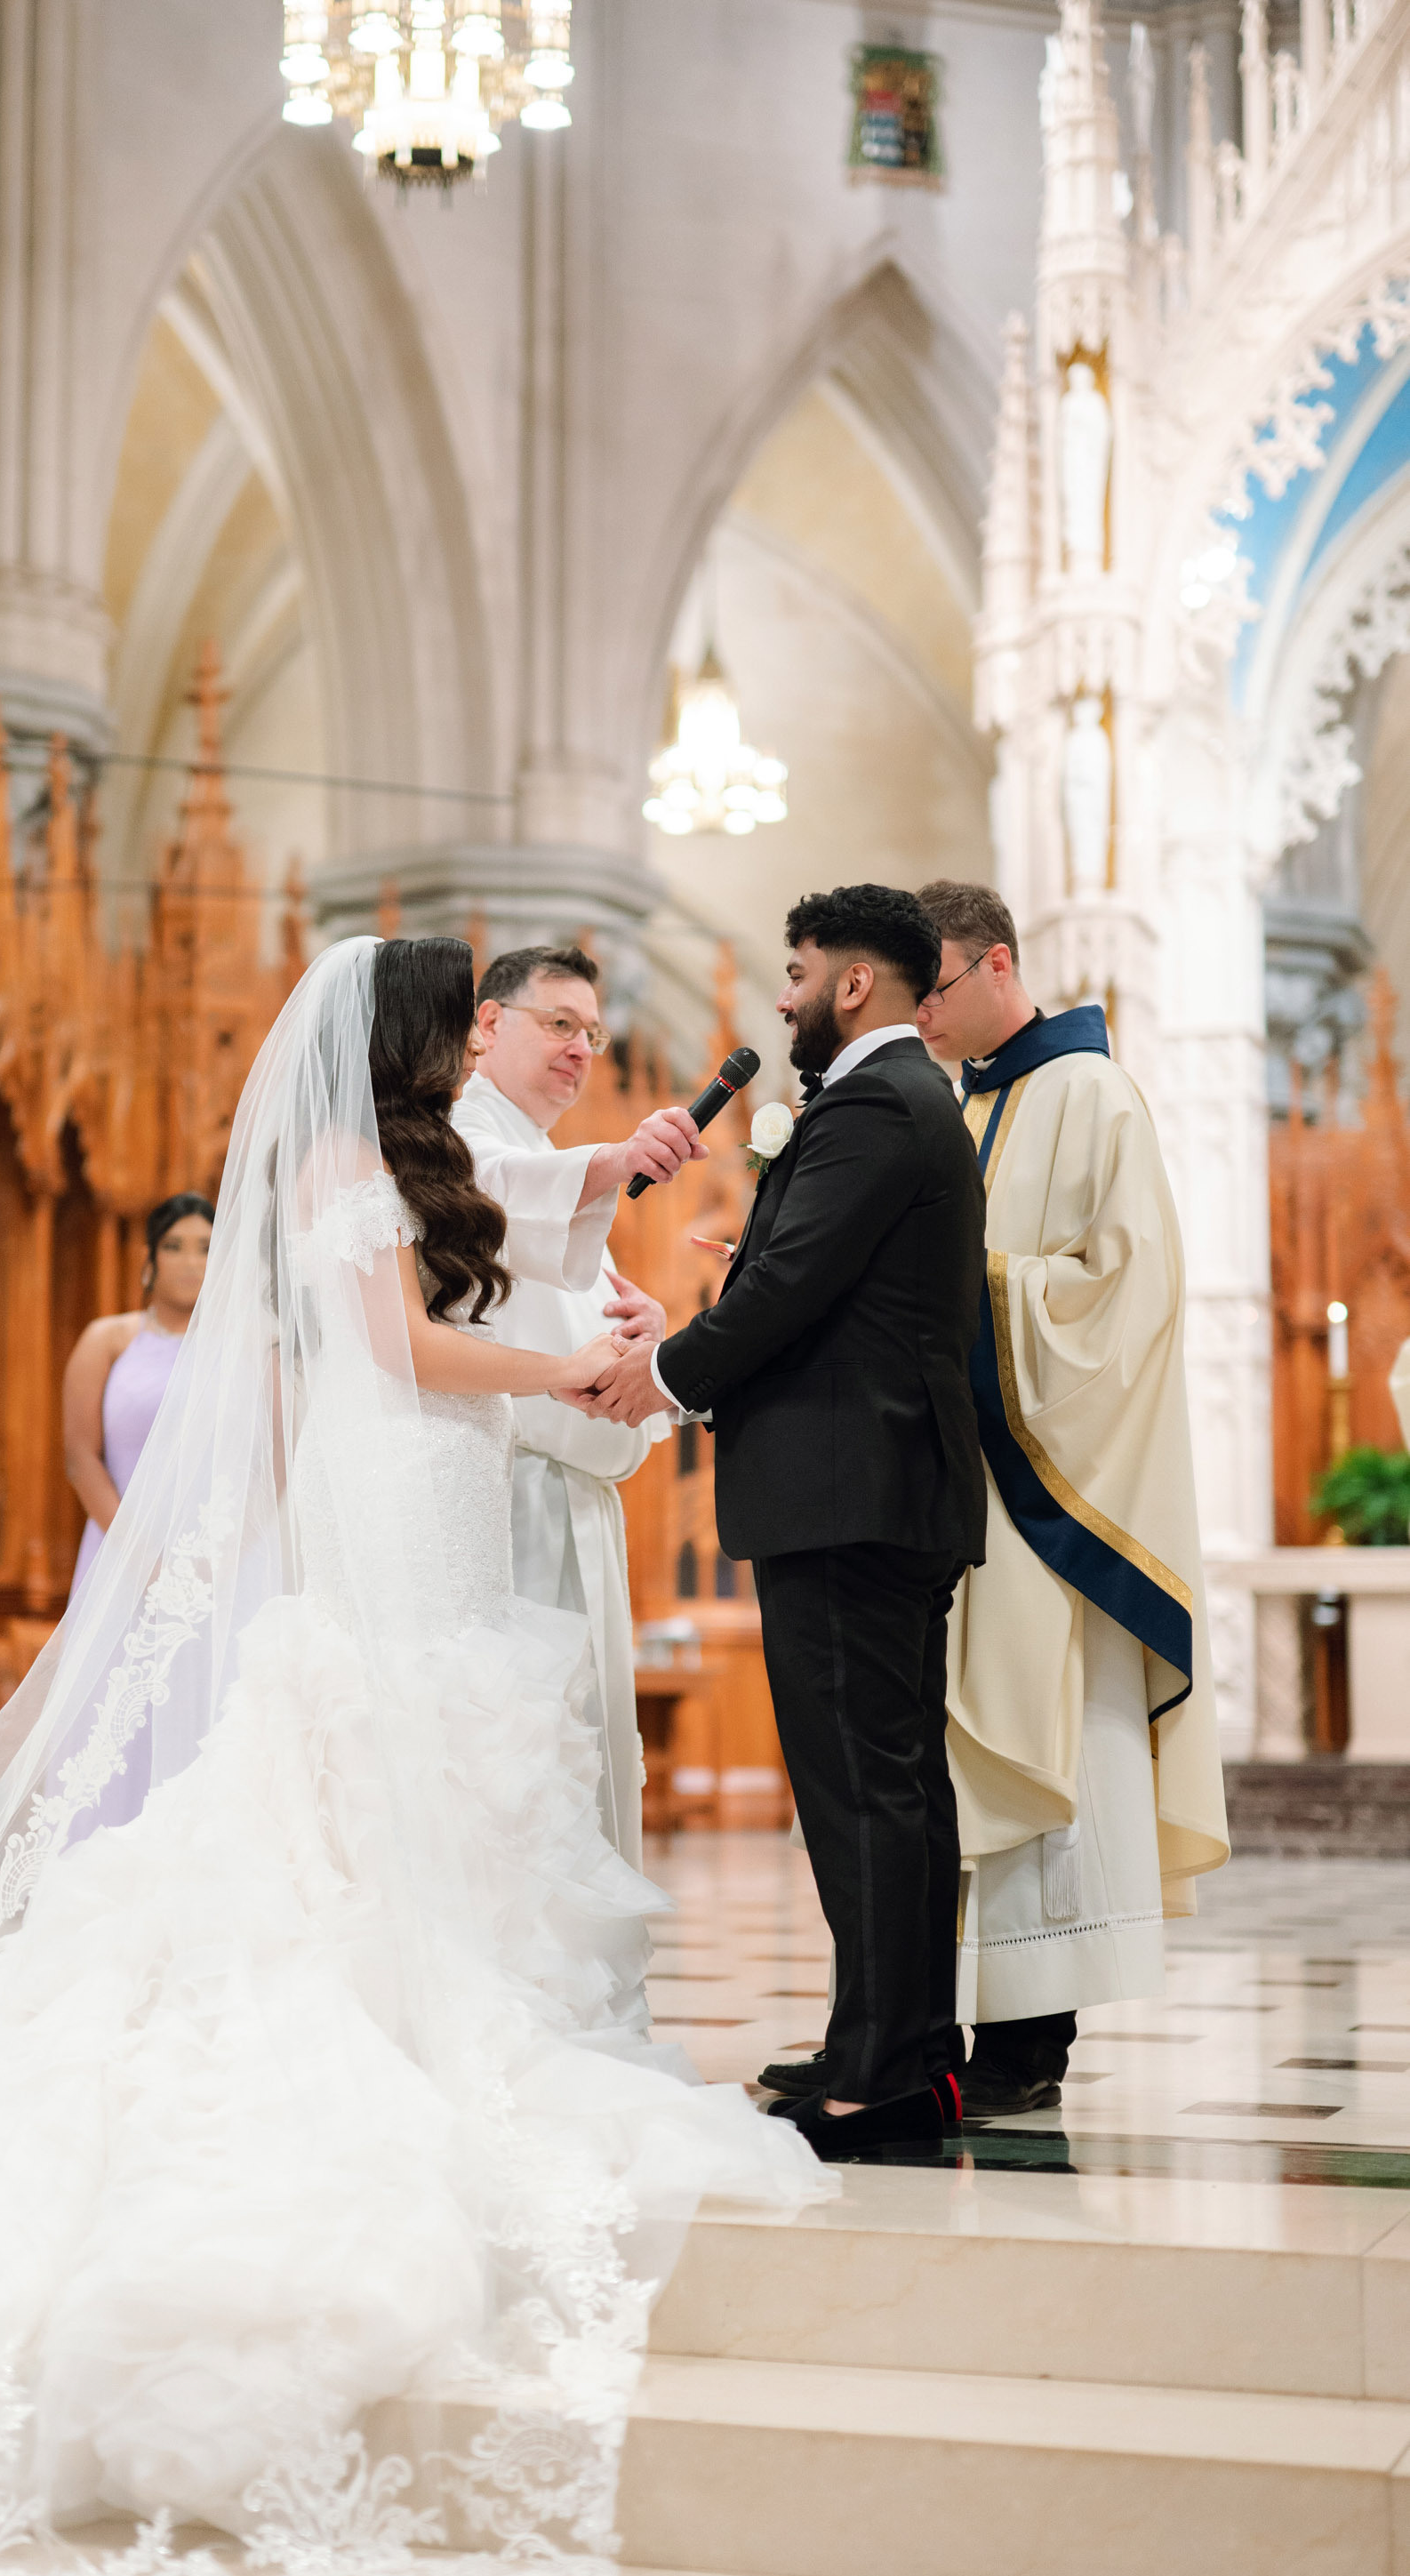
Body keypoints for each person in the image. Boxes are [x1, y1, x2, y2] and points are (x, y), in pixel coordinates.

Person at [0, 935, 819, 2576]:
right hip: (397, 1475)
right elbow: (395, 1346)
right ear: (420, 1033)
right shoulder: (341, 1163)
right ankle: (384, 1999)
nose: (499, 1039)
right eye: (477, 1016)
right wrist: (562, 1372)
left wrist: (592, 1333)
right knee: (351, 1757)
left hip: (441, 1484)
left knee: (423, 1761)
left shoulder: (411, 1159)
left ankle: (436, 1990)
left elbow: (474, 1299)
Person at [574, 886, 987, 2157]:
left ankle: (881, 2069)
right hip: (881, 1487)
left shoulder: (874, 1100)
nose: (784, 995)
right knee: (895, 1783)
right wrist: (714, 1309)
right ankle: (903, 2043)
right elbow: (812, 1270)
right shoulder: (908, 1099)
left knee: (862, 1787)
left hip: (851, 1491)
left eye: (798, 971)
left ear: (855, 984)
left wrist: (672, 1372)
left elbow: (801, 1282)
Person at [911, 879, 1228, 2117]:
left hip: (1058, 1481)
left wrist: (956, 1280)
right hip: (969, 1479)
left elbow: (1127, 1290)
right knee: (980, 1733)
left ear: (999, 964)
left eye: (934, 987)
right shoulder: (961, 1103)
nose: (921, 1013)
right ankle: (970, 2016)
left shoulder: (1089, 1092)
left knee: (1056, 1735)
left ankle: (1035, 2039)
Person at [453, 943, 686, 1877]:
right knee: (521, 1772)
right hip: (506, 1505)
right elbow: (490, 1190)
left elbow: (573, 1292)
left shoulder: (537, 1154)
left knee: (572, 1766)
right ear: (486, 1025)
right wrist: (617, 1158)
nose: (581, 1048)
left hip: (565, 1499)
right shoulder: (454, 1133)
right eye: (559, 1023)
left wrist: (651, 1331)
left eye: (592, 1033)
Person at [63, 1192, 213, 1597]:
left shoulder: (238, 1350)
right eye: (173, 1247)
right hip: (118, 1547)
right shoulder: (108, 1340)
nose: (190, 1262)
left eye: (205, 1249)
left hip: (211, 1560)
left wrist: (212, 1561)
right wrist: (141, 1556)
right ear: (149, 1258)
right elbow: (80, 1458)